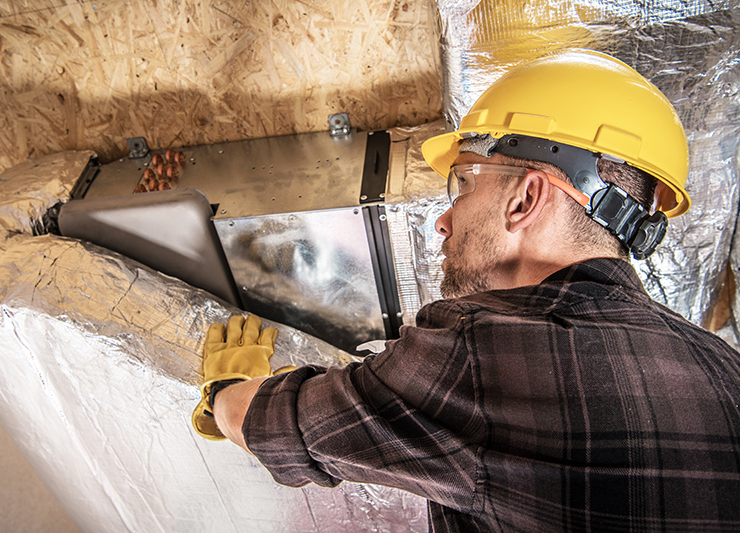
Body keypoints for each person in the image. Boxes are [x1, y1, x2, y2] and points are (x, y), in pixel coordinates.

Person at [192, 49, 740, 531]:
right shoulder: (725, 366)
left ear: (525, 200)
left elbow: (272, 425)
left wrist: (228, 388)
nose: (443, 221)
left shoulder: (479, 351)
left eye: (463, 184)